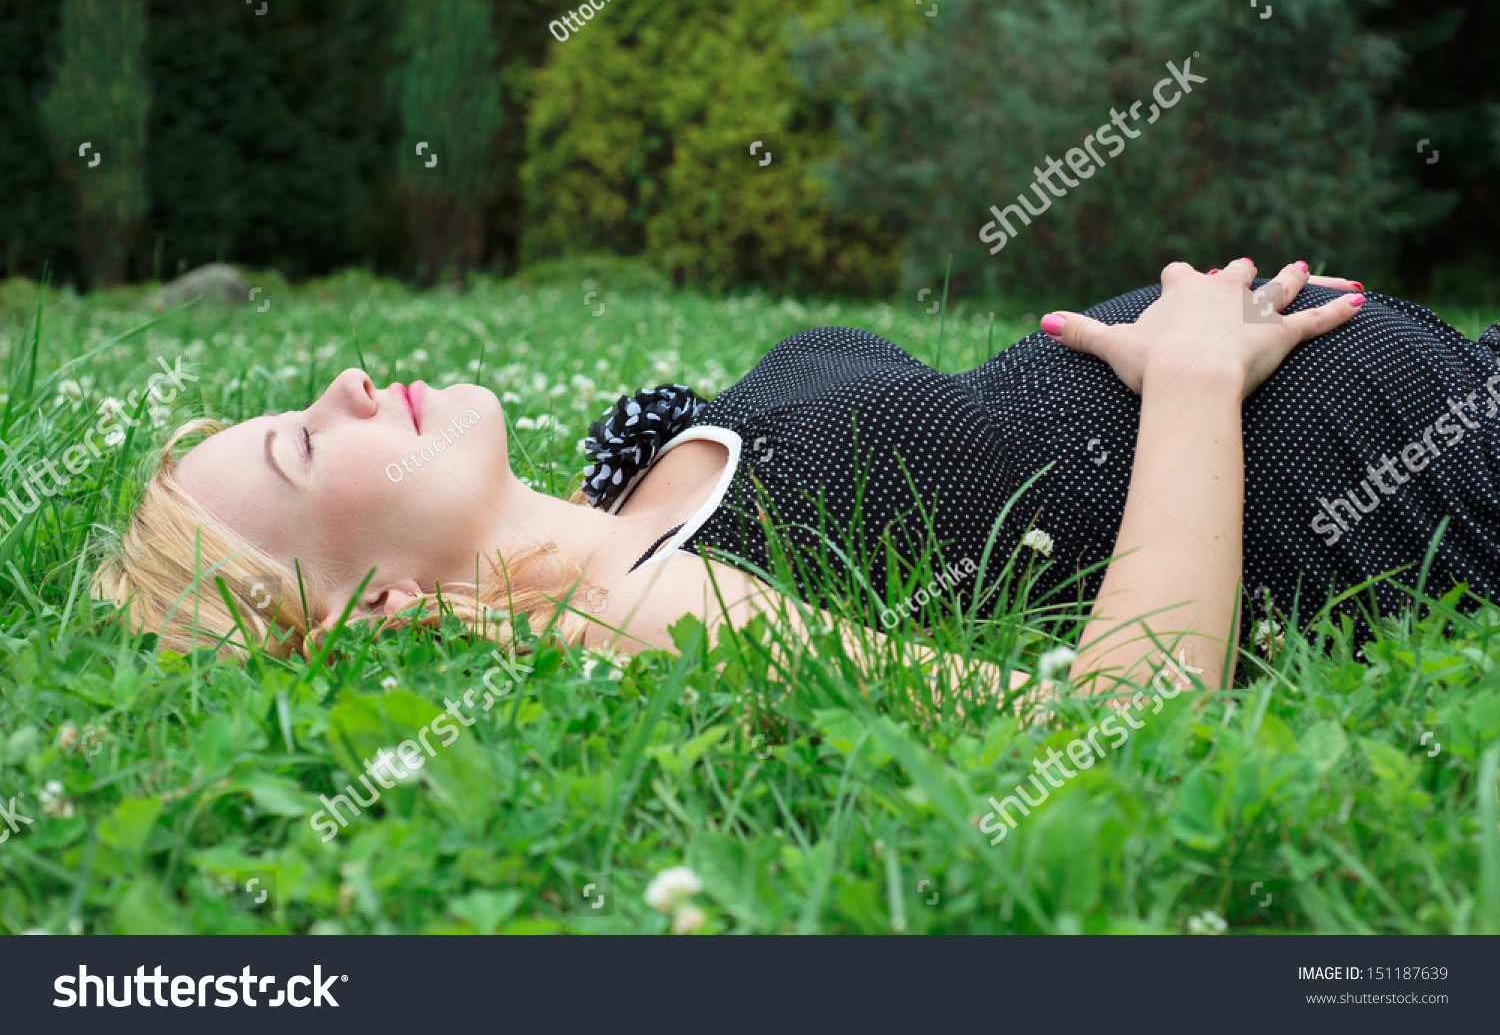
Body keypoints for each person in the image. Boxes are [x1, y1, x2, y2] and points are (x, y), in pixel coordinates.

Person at [92, 258, 1492, 699]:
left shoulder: (621, 506)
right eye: (300, 443)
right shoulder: (631, 601)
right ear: (375, 606)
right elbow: (1125, 719)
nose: (338, 386)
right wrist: (1192, 377)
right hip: (1441, 486)